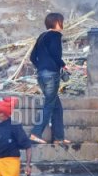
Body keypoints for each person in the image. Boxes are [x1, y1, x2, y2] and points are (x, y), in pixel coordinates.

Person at [29, 12, 70, 146]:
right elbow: (55, 53)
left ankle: (59, 137)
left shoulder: (42, 36)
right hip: (51, 75)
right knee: (49, 105)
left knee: (56, 106)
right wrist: (63, 65)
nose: (62, 24)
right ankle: (35, 133)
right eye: (61, 21)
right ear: (57, 22)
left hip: (41, 75)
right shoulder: (55, 36)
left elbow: (32, 57)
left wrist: (41, 67)